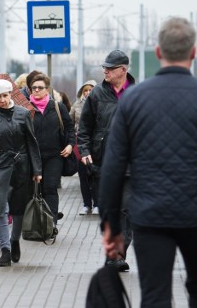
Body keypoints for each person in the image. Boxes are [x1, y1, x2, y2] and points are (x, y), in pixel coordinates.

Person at [100, 17, 197, 307]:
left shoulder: (133, 100)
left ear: (158, 52)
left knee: (155, 295)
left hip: (150, 215)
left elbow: (113, 167)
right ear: (193, 52)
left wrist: (110, 225)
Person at [77, 49, 135, 272]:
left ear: (123, 70)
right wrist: (84, 151)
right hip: (103, 162)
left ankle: (118, 255)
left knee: (126, 209)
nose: (105, 71)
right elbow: (84, 128)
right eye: (104, 67)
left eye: (110, 68)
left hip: (131, 163)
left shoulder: (137, 93)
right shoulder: (97, 95)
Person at [0, 79, 42, 267]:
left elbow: (32, 143)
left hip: (21, 168)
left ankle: (14, 240)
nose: (2, 100)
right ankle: (5, 249)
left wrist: (37, 170)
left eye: (5, 95)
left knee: (18, 208)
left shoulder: (23, 114)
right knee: (0, 209)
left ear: (10, 95)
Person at [28, 73, 75, 237]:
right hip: (33, 157)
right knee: (36, 190)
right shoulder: (26, 109)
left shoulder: (57, 107)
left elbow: (69, 128)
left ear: (47, 89)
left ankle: (51, 224)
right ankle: (37, 223)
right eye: (33, 88)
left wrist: (70, 145)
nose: (36, 91)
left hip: (55, 156)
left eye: (40, 88)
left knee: (50, 188)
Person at [70, 79, 97, 215]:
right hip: (80, 143)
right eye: (85, 90)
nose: (88, 93)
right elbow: (69, 122)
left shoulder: (100, 104)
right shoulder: (76, 105)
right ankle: (87, 204)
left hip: (96, 143)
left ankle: (98, 203)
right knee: (83, 174)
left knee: (96, 174)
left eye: (91, 90)